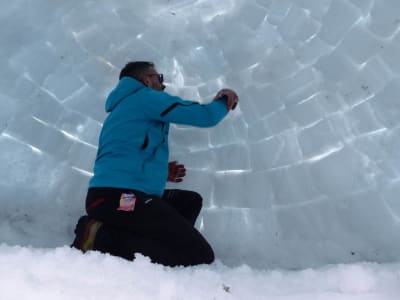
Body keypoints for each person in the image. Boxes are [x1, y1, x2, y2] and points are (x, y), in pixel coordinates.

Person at [71, 61, 238, 266]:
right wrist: (223, 101)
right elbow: (205, 116)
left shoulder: (122, 108)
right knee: (200, 255)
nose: (163, 85)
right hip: (121, 198)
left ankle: (155, 249)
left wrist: (160, 172)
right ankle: (100, 238)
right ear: (146, 80)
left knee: (189, 201)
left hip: (110, 198)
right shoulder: (145, 97)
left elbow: (124, 154)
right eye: (159, 78)